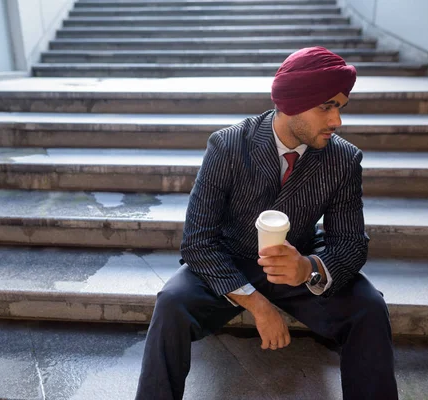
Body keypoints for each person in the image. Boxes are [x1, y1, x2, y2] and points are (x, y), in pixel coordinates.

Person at [136, 47, 398, 400]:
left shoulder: (343, 158)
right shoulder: (229, 145)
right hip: (231, 260)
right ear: (292, 103)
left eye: (340, 107)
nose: (336, 121)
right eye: (326, 106)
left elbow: (350, 243)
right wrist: (258, 305)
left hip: (298, 262)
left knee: (369, 307)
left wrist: (307, 268)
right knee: (171, 303)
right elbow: (197, 241)